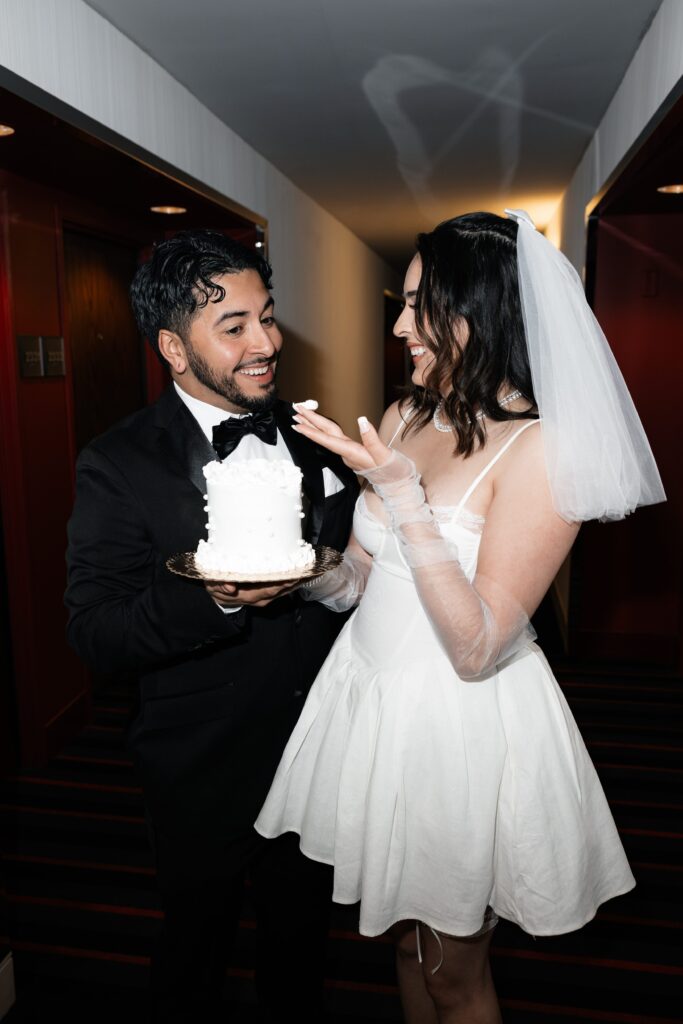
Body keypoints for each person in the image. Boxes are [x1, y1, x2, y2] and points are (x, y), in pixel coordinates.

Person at [255, 210, 666, 1023]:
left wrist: (403, 494)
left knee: (454, 973)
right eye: (403, 303)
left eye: (419, 305)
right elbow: (369, 579)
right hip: (371, 702)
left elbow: (477, 647)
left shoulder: (543, 451)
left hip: (455, 725)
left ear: (481, 311)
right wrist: (300, 573)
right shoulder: (411, 413)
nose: (400, 323)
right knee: (407, 947)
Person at [65, 229, 359, 1023]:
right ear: (173, 346)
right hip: (201, 766)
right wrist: (217, 598)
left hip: (315, 751)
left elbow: (348, 578)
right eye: (232, 327)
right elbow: (96, 631)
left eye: (267, 316)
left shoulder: (311, 438)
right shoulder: (118, 462)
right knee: (195, 954)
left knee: (301, 954)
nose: (264, 343)